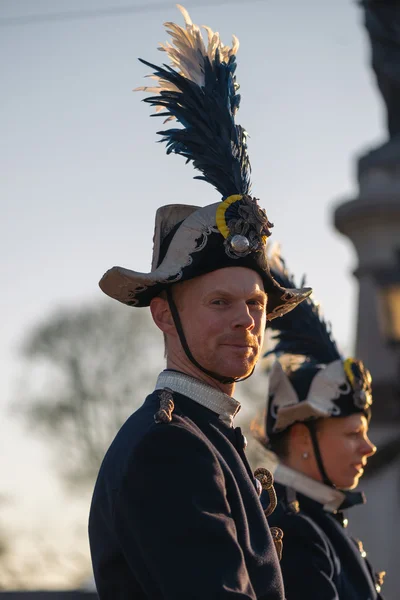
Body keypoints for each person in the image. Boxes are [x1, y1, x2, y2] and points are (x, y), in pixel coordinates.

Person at [88, 6, 311, 599]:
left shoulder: (203, 436)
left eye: (256, 303)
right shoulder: (172, 447)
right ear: (163, 313)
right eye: (219, 300)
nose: (245, 318)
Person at [257, 251, 386, 600]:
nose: (368, 447)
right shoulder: (295, 529)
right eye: (351, 434)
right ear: (301, 435)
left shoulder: (313, 519)